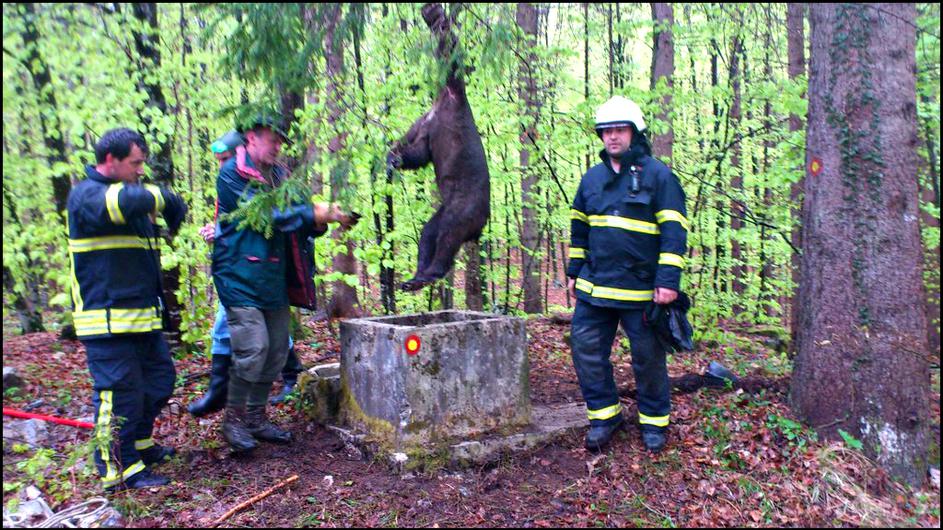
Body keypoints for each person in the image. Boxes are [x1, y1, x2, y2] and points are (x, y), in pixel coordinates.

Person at [212, 115, 357, 452]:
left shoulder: (280, 176)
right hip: (239, 277)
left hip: (273, 278)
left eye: (280, 141)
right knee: (253, 349)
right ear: (251, 138)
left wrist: (323, 219)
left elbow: (300, 221)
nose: (278, 146)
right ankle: (234, 420)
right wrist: (313, 214)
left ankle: (256, 417)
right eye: (272, 139)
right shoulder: (231, 174)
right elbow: (262, 216)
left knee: (277, 350)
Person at [67, 127, 187, 490]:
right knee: (118, 394)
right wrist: (165, 198)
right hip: (105, 322)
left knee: (159, 381)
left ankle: (139, 444)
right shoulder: (87, 195)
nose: (140, 170)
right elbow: (125, 202)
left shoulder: (129, 200)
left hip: (141, 320)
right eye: (135, 163)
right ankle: (117, 468)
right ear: (110, 160)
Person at [567, 96, 688, 453]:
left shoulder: (660, 177)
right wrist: (574, 271)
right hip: (596, 287)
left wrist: (668, 281)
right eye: (606, 131)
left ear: (635, 133)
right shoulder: (591, 179)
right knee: (586, 349)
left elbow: (674, 232)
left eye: (620, 129)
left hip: (643, 291)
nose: (613, 136)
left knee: (648, 358)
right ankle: (605, 416)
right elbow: (579, 230)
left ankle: (654, 421)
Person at [187, 131, 303, 418]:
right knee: (239, 338)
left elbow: (261, 219)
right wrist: (217, 231)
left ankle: (285, 380)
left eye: (226, 158)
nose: (222, 166)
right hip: (236, 274)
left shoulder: (266, 177)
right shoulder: (230, 177)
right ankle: (229, 405)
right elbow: (236, 221)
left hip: (262, 272)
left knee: (269, 342)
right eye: (218, 160)